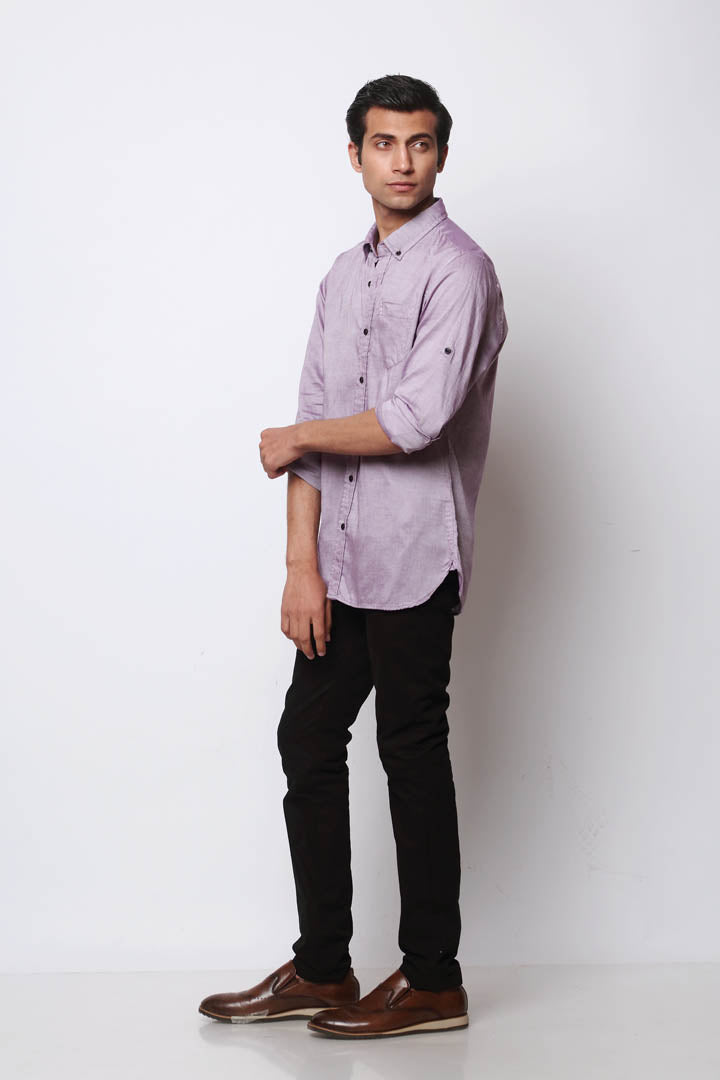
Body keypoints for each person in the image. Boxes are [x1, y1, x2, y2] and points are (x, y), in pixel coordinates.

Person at [199, 73, 508, 1039]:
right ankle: (325, 968)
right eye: (384, 143)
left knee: (410, 750)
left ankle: (434, 980)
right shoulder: (342, 278)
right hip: (342, 561)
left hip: (416, 555)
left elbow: (413, 420)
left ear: (441, 154)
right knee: (307, 738)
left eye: (419, 143)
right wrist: (302, 566)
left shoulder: (459, 272)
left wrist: (299, 439)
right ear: (355, 155)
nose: (402, 161)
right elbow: (312, 417)